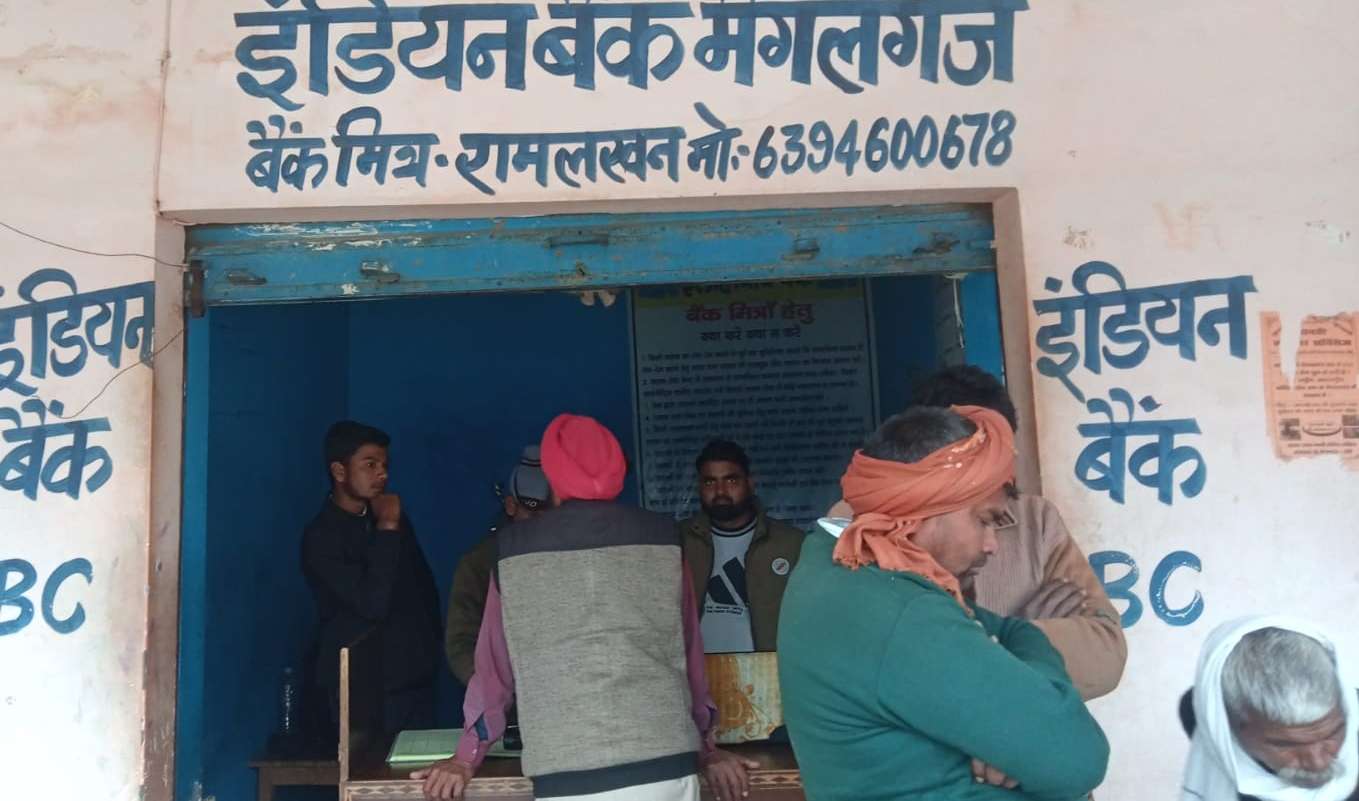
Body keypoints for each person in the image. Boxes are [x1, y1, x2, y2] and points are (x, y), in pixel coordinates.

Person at [415, 414, 756, 801]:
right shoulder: (665, 538)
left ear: (552, 475)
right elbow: (689, 656)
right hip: (666, 767)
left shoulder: (512, 551)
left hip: (567, 774)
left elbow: (494, 673)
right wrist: (708, 749)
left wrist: (466, 756)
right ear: (617, 470)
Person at [780, 406, 1110, 801]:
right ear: (927, 505)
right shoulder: (902, 612)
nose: (991, 544)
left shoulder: (833, 565)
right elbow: (1078, 759)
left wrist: (1010, 733)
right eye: (984, 520)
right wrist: (1024, 724)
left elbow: (1014, 630)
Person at [905, 364, 1127, 700]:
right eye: (982, 455)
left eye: (1004, 453)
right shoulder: (859, 529)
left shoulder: (1036, 521)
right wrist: (1017, 635)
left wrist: (999, 644)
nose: (1001, 471)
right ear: (933, 455)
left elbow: (1105, 653)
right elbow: (901, 667)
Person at [301, 420, 442, 734]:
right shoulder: (322, 537)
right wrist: (387, 528)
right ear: (339, 472)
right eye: (370, 465)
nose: (382, 474)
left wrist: (430, 651)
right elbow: (372, 603)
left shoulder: (389, 518)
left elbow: (422, 587)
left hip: (414, 681)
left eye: (384, 465)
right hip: (363, 691)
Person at [1179, 616, 1357, 801]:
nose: (1317, 762)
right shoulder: (1200, 713)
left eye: (1333, 733)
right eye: (1285, 744)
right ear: (1228, 722)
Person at [678, 440, 804, 654]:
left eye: (731, 480)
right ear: (699, 487)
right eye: (710, 482)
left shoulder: (791, 544)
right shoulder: (678, 541)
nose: (720, 491)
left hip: (768, 670)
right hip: (695, 671)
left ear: (750, 484)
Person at [444, 445, 550, 685]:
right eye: (533, 514)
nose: (541, 525)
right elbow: (460, 643)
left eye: (550, 515)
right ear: (511, 506)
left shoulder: (567, 555)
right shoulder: (480, 563)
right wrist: (495, 689)